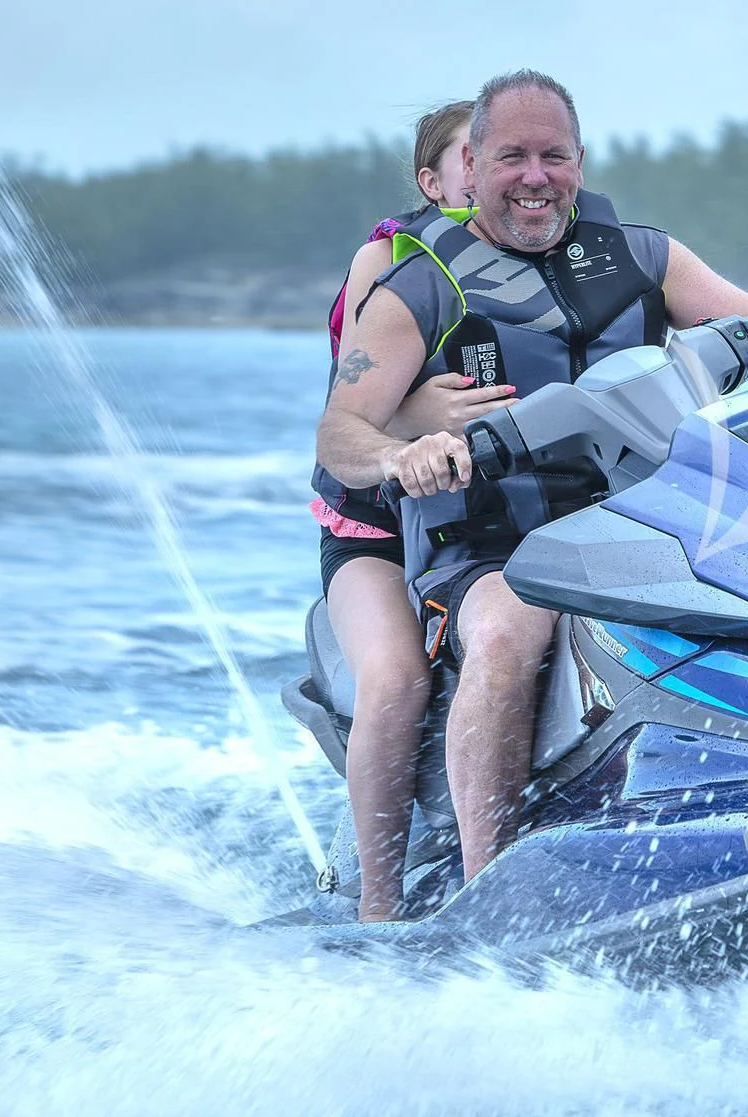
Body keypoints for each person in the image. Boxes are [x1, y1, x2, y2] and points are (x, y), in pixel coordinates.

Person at [317, 69, 748, 894]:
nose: (534, 176)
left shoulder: (642, 254)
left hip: (644, 515)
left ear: (579, 162)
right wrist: (398, 455)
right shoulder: (414, 286)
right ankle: (489, 889)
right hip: (488, 545)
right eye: (511, 156)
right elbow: (340, 435)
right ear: (472, 167)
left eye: (553, 155)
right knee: (515, 630)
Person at [309, 100, 517, 923]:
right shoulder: (391, 262)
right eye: (472, 154)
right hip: (378, 533)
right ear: (432, 181)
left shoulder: (543, 262)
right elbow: (345, 418)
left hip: (481, 527)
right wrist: (412, 420)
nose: (490, 166)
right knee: (397, 680)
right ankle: (379, 908)